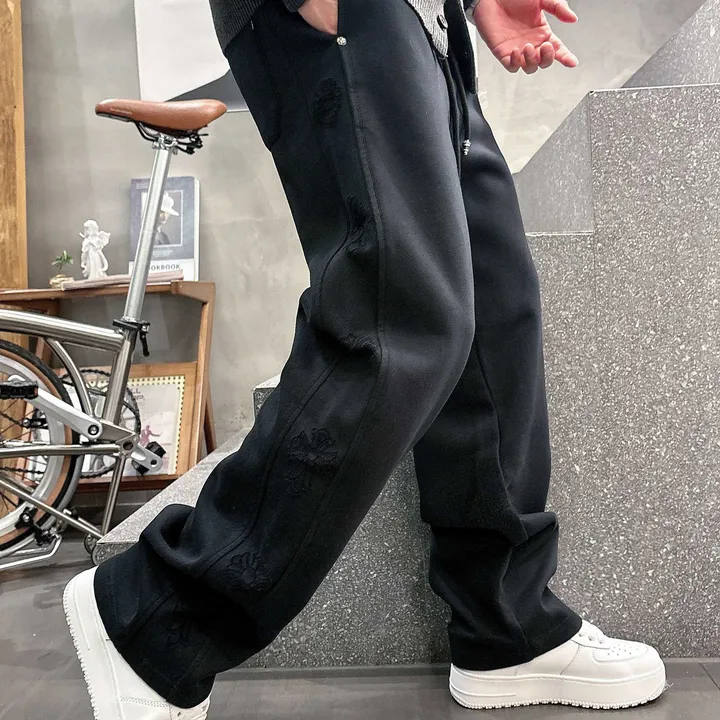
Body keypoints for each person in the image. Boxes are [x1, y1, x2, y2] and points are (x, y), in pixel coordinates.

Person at [63, 0, 667, 717]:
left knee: (495, 311)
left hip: (430, 22)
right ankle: (158, 618)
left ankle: (506, 627)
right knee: (399, 315)